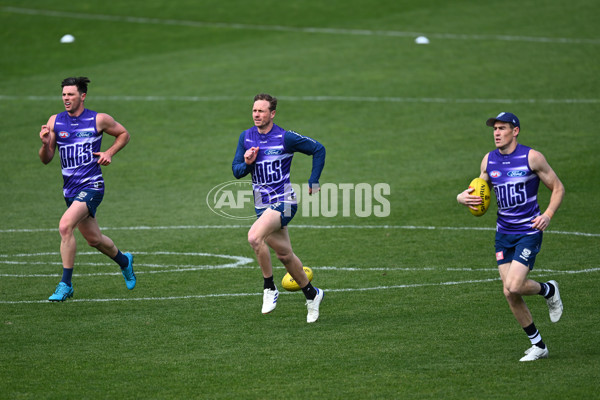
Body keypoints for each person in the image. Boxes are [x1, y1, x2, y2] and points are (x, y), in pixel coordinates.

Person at [457, 112, 565, 361]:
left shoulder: (532, 157)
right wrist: (462, 198)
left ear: (515, 131)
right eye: (494, 129)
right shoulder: (488, 161)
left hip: (528, 231)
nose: (496, 133)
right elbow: (478, 191)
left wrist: (547, 214)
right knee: (509, 293)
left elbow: (558, 187)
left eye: (502, 128)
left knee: (514, 285)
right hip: (503, 234)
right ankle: (538, 345)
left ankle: (548, 290)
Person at [39, 77, 136, 302]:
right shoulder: (55, 122)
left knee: (65, 226)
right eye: (64, 94)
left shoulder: (98, 119)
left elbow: (124, 134)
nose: (66, 98)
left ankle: (65, 284)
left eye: (71, 94)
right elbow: (46, 159)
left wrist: (108, 153)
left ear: (82, 96)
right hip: (70, 190)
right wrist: (45, 144)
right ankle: (125, 261)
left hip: (92, 185)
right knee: (94, 240)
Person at [232, 93, 326, 323]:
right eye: (254, 110)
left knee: (254, 237)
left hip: (285, 202)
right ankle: (312, 295)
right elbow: (236, 172)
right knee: (285, 255)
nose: (256, 114)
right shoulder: (246, 137)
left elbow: (318, 149)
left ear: (272, 114)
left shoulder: (285, 137)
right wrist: (247, 162)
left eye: (262, 111)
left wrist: (313, 180)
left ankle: (269, 287)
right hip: (262, 206)